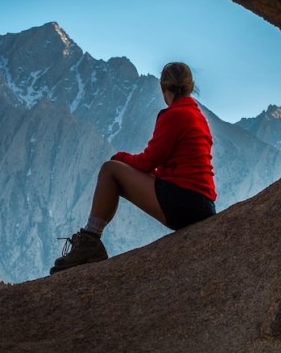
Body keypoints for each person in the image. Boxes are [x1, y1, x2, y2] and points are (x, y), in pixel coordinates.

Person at [50, 61, 217, 274]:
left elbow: (147, 162)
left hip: (184, 203)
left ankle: (90, 241)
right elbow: (167, 168)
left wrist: (119, 158)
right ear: (190, 87)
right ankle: (90, 242)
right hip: (202, 204)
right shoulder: (197, 116)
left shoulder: (174, 115)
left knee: (110, 170)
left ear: (162, 87)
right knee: (118, 169)